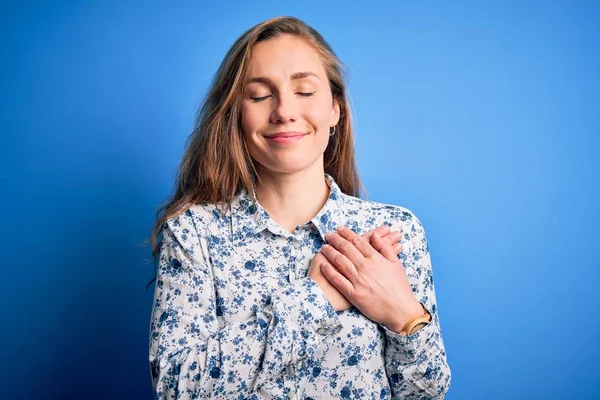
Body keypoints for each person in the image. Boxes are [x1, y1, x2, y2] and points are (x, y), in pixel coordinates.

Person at [148, 16, 451, 399]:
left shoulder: (392, 232)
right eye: (259, 95)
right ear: (236, 116)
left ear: (335, 110)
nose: (284, 111)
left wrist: (406, 317)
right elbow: (176, 389)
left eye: (305, 91)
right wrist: (316, 297)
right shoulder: (193, 233)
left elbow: (425, 393)